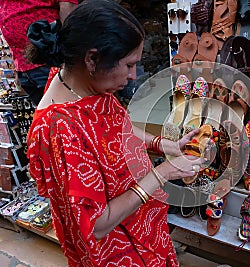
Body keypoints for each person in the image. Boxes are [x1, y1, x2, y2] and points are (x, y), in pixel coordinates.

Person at [26, 1, 206, 266]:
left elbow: (116, 126)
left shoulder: (79, 81)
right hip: (117, 250)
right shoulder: (59, 129)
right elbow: (97, 225)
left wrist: (166, 145)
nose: (133, 76)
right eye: (129, 65)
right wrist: (164, 172)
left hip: (139, 223)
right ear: (92, 59)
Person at [0, 0, 78, 105]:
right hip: (24, 66)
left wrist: (67, 51)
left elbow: (68, 7)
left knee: (66, 107)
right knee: (45, 112)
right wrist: (18, 66)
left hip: (50, 60)